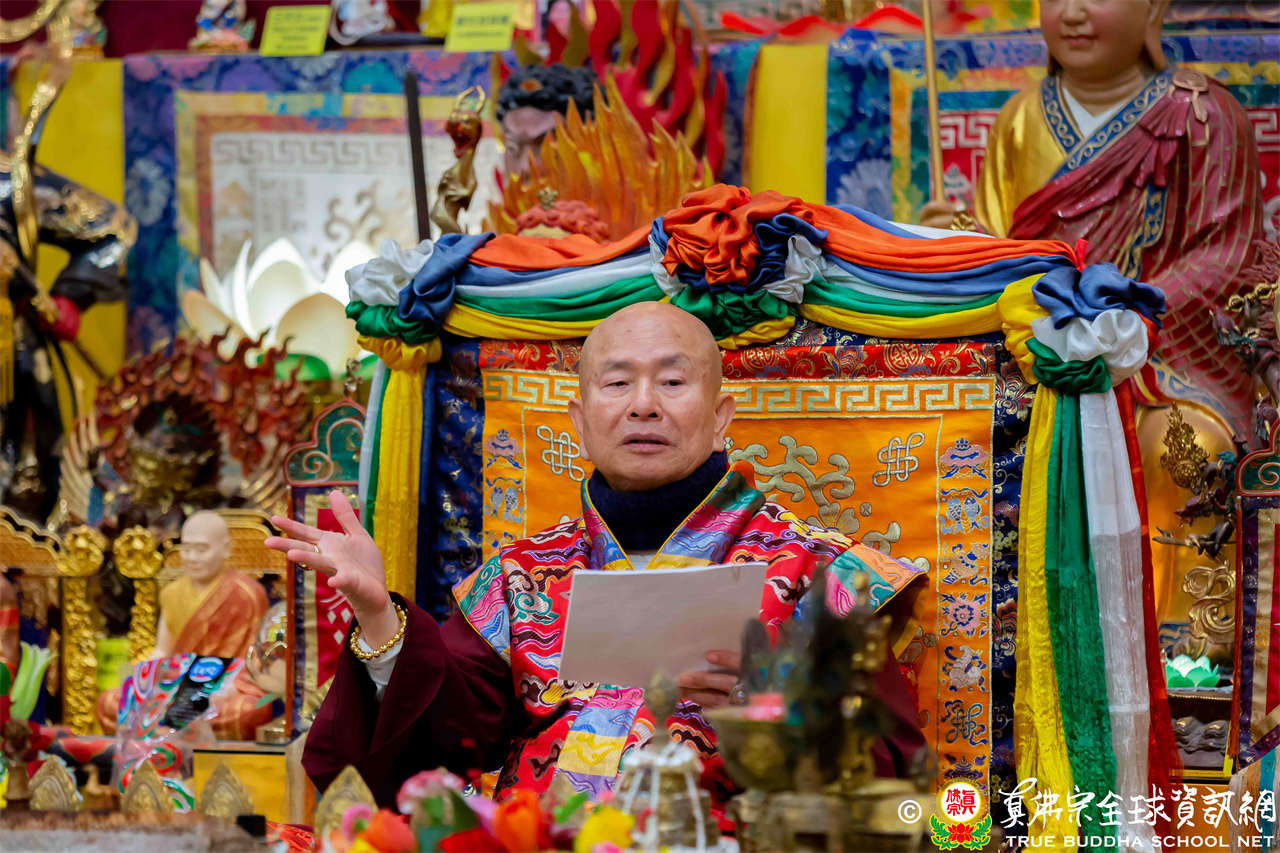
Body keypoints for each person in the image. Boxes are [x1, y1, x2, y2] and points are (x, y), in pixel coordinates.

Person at [274, 302, 926, 806]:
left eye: (673, 380)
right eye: (617, 383)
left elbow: (894, 778)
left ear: (721, 416)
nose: (644, 405)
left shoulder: (814, 573)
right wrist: (381, 621)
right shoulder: (521, 578)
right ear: (580, 422)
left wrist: (778, 713)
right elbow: (439, 746)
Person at [921, 0, 1263, 427]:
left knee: (1182, 444)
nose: (1071, 14)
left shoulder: (1203, 114)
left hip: (1156, 360)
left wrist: (1126, 319)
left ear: (1152, 8)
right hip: (1039, 350)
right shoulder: (1019, 118)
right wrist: (957, 238)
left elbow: (1224, 257)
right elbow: (1002, 246)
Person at [96, 511, 271, 738]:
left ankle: (162, 728)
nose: (192, 558)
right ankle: (174, 726)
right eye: (186, 549)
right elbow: (163, 651)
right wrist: (144, 681)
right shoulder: (172, 593)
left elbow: (255, 661)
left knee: (248, 711)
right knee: (109, 702)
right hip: (177, 687)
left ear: (226, 549)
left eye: (201, 549)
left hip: (224, 690)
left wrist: (223, 691)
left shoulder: (248, 594)